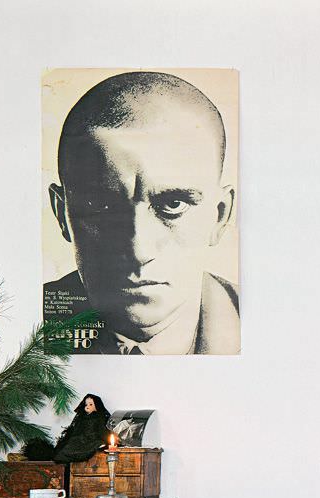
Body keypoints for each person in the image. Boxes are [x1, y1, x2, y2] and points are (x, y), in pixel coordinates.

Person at [45, 71, 239, 355]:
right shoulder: (20, 323)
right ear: (62, 214)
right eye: (102, 206)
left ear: (219, 216)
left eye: (173, 205)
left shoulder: (269, 325)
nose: (138, 250)